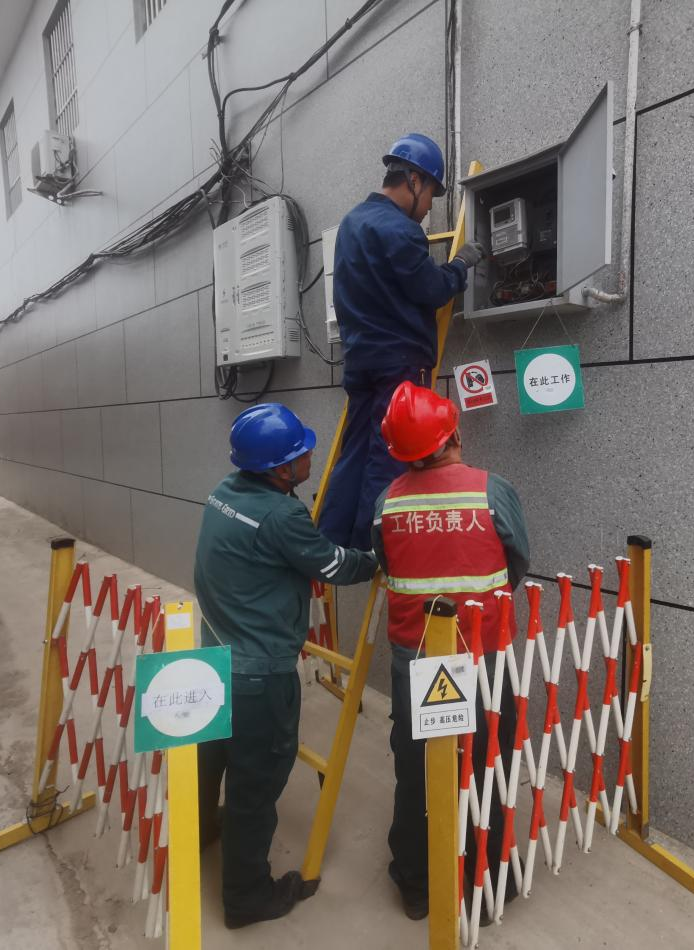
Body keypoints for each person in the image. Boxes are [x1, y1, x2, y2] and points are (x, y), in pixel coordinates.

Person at [194, 403, 378, 929]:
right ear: (280, 469)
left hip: (215, 653)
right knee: (256, 782)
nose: (311, 457)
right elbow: (334, 565)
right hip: (258, 673)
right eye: (303, 452)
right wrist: (378, 558)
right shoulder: (282, 516)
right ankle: (247, 897)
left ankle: (202, 828)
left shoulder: (224, 492)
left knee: (212, 756)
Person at [369, 381, 529, 920]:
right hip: (483, 653)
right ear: (453, 436)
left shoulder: (386, 502)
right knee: (485, 762)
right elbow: (517, 561)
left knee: (418, 768)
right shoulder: (492, 490)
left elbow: (387, 566)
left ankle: (416, 884)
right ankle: (488, 882)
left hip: (415, 657)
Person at [318, 132, 486, 550]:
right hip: (398, 362)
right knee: (388, 452)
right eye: (430, 195)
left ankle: (333, 541)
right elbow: (431, 289)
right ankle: (375, 544)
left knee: (355, 452)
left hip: (360, 361)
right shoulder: (401, 230)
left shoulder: (352, 223)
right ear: (414, 180)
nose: (428, 209)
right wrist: (460, 264)